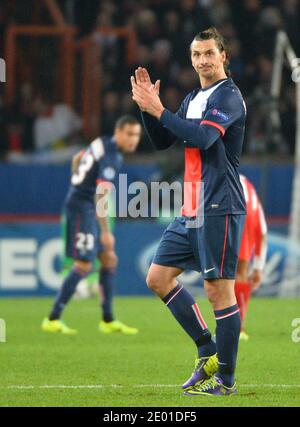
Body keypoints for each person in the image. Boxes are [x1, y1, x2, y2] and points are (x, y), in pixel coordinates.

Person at [131, 27, 246, 396]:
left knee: (218, 292)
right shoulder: (195, 97)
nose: (203, 61)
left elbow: (203, 137)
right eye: (197, 55)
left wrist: (160, 109)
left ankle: (225, 380)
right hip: (192, 207)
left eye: (209, 53)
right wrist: (148, 110)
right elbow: (165, 139)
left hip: (220, 205)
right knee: (158, 278)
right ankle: (206, 349)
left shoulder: (228, 97)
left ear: (223, 55)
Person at [42, 115, 142, 335]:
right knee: (84, 265)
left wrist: (76, 181)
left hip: (82, 203)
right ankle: (53, 318)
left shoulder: (101, 143)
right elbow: (102, 193)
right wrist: (106, 231)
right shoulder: (112, 155)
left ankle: (107, 319)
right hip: (82, 208)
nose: (134, 140)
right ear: (119, 132)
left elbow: (77, 158)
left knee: (108, 259)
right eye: (130, 134)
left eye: (137, 135)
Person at [236, 174, 268, 341]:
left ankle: (230, 326)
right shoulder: (248, 185)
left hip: (225, 211)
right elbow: (262, 232)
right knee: (240, 272)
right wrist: (258, 268)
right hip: (246, 213)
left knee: (221, 276)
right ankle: (237, 327)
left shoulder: (212, 172)